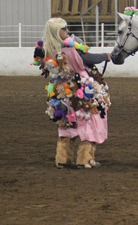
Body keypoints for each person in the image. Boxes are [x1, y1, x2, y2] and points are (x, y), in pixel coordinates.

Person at [38, 17, 111, 169]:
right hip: (80, 87)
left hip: (61, 90)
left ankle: (63, 158)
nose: (67, 31)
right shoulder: (70, 48)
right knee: (89, 118)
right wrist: (106, 56)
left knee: (66, 122)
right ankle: (85, 159)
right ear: (58, 31)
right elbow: (87, 58)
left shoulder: (48, 50)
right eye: (64, 28)